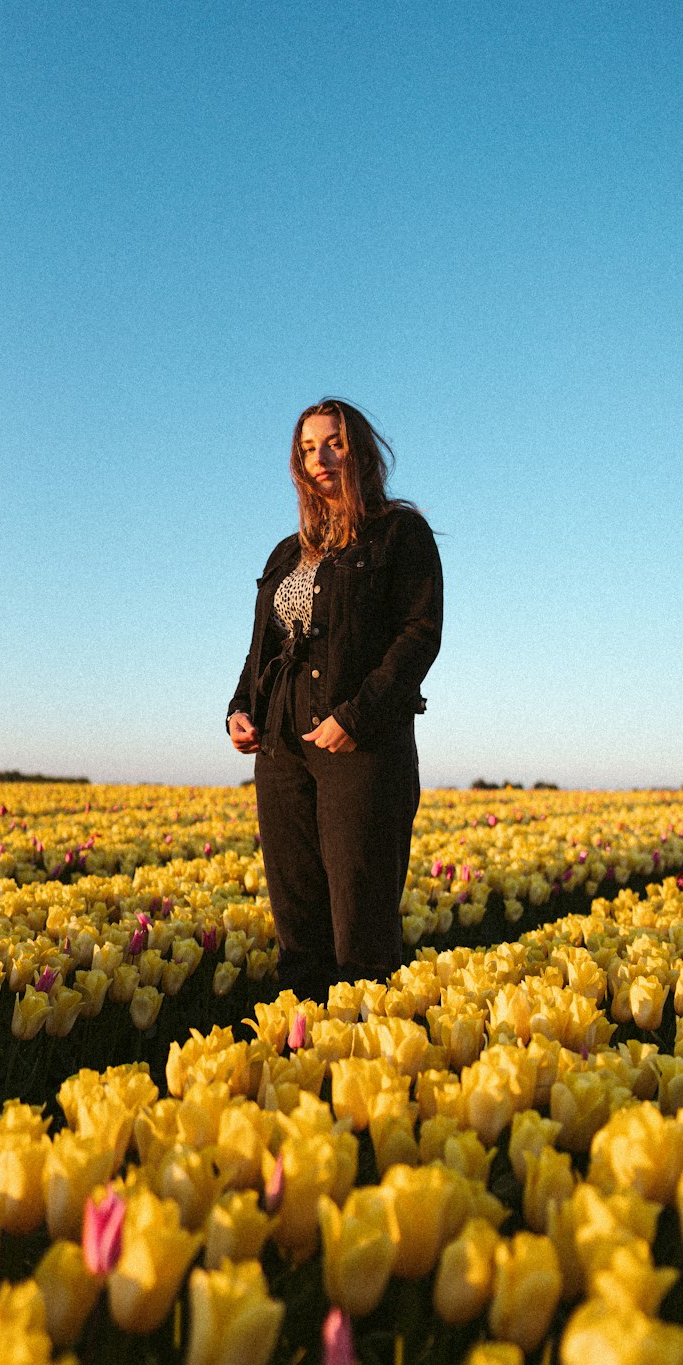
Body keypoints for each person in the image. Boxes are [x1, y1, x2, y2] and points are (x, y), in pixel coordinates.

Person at [227, 398, 443, 1002]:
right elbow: (262, 648)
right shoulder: (286, 553)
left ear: (361, 452)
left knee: (361, 925)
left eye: (334, 443)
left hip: (360, 740)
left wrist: (357, 715)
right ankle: (301, 1072)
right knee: (297, 923)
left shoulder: (400, 533)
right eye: (306, 448)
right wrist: (240, 709)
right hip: (280, 743)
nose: (318, 457)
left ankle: (367, 1079)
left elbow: (419, 634)